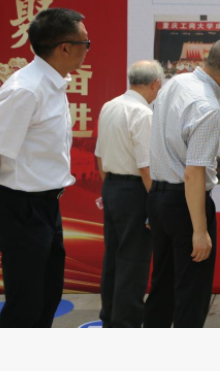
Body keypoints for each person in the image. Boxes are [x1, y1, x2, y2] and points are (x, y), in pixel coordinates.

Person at [144, 38, 220, 328]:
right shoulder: (207, 106)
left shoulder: (176, 83)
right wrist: (200, 231)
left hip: (159, 196)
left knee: (162, 286)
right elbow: (193, 173)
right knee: (192, 292)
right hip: (185, 203)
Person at [0, 8, 90, 327]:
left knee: (48, 295)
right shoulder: (26, 89)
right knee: (26, 303)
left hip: (45, 205)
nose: (87, 50)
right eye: (85, 43)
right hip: (20, 207)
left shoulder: (53, 83)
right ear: (65, 47)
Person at [94, 60, 164, 328]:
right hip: (136, 191)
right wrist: (154, 204)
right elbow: (146, 167)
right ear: (155, 84)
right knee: (133, 261)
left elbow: (100, 157)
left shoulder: (110, 106)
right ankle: (126, 324)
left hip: (112, 186)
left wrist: (112, 187)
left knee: (113, 257)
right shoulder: (143, 114)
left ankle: (110, 318)